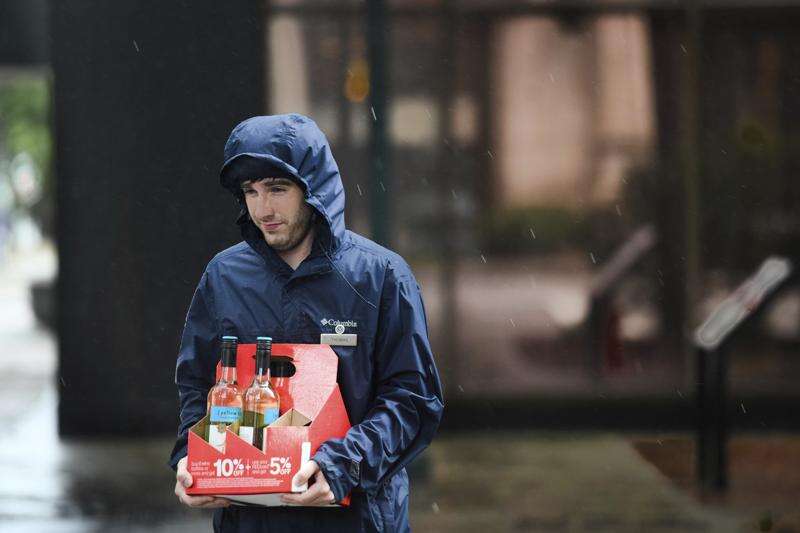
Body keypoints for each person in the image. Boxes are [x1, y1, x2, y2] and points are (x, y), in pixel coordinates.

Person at [170, 114, 444, 532]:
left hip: (357, 519)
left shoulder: (381, 277)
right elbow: (197, 384)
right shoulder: (224, 277)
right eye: (250, 191)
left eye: (277, 189)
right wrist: (192, 457)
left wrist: (342, 465)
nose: (263, 209)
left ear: (313, 189)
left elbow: (413, 399)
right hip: (250, 519)